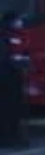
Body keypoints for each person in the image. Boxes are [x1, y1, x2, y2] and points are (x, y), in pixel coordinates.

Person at [0, 12, 29, 148]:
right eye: (17, 21)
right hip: (8, 77)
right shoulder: (7, 36)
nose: (20, 23)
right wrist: (23, 63)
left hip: (12, 76)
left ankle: (12, 136)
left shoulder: (14, 35)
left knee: (13, 107)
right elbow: (10, 57)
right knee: (10, 107)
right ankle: (9, 137)